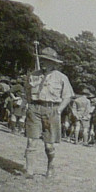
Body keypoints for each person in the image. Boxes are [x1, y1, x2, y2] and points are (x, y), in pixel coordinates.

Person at [23, 46, 74, 178]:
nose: (45, 63)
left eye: (48, 61)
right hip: (35, 109)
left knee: (49, 145)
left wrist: (59, 110)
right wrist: (29, 105)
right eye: (43, 60)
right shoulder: (33, 75)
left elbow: (68, 96)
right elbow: (27, 91)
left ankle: (51, 165)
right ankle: (29, 171)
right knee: (31, 141)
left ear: (54, 63)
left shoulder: (62, 78)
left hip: (52, 110)